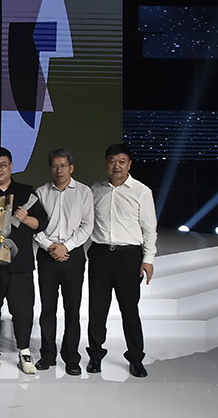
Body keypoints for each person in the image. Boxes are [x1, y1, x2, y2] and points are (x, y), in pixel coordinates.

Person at [0, 146, 49, 374]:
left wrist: (26, 218)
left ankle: (24, 351)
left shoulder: (26, 193)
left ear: (11, 166)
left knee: (23, 309)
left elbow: (41, 223)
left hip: (20, 263)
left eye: (3, 165)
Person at [87, 143, 157, 378]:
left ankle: (136, 358)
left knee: (129, 310)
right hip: (100, 254)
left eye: (121, 161)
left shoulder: (141, 191)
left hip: (129, 257)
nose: (116, 166)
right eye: (112, 161)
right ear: (106, 163)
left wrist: (148, 259)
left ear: (129, 164)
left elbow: (149, 229)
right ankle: (95, 356)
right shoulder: (95, 190)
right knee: (97, 309)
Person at [34, 148, 93, 375]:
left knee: (72, 308)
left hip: (73, 255)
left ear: (71, 168)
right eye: (55, 166)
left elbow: (87, 225)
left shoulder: (84, 192)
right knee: (47, 308)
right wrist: (50, 246)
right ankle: (47, 355)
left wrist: (65, 247)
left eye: (63, 166)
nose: (59, 170)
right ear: (50, 169)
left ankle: (71, 357)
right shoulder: (41, 192)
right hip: (47, 254)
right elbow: (35, 226)